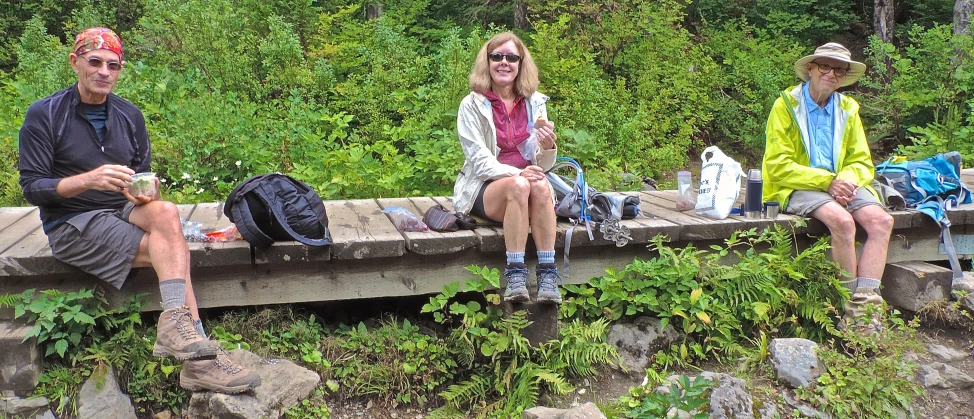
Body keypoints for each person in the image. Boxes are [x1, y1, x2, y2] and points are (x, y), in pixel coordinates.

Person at [18, 27, 260, 393]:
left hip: (120, 208)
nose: (103, 72)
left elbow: (140, 171)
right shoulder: (45, 114)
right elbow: (33, 187)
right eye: (95, 62)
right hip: (72, 222)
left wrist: (143, 192)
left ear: (120, 70)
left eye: (112, 66)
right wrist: (88, 180)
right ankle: (201, 360)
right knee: (172, 250)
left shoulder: (129, 116)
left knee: (166, 214)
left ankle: (175, 330)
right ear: (75, 62)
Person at [762, 42, 894, 331]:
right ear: (810, 68)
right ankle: (848, 310)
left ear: (844, 76)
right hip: (794, 185)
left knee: (882, 220)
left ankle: (865, 309)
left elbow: (862, 161)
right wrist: (827, 182)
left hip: (841, 184)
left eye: (839, 69)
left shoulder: (848, 108)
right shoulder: (785, 106)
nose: (831, 74)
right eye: (825, 66)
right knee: (843, 222)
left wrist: (844, 180)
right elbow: (777, 165)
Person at [453, 32, 562, 304]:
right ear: (487, 62)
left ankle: (547, 273)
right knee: (520, 184)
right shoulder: (472, 104)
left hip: (528, 187)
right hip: (486, 188)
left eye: (511, 57)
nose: (504, 62)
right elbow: (479, 161)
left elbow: (542, 165)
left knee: (538, 184)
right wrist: (518, 173)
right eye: (497, 56)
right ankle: (515, 273)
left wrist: (548, 149)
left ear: (521, 63)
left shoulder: (534, 102)